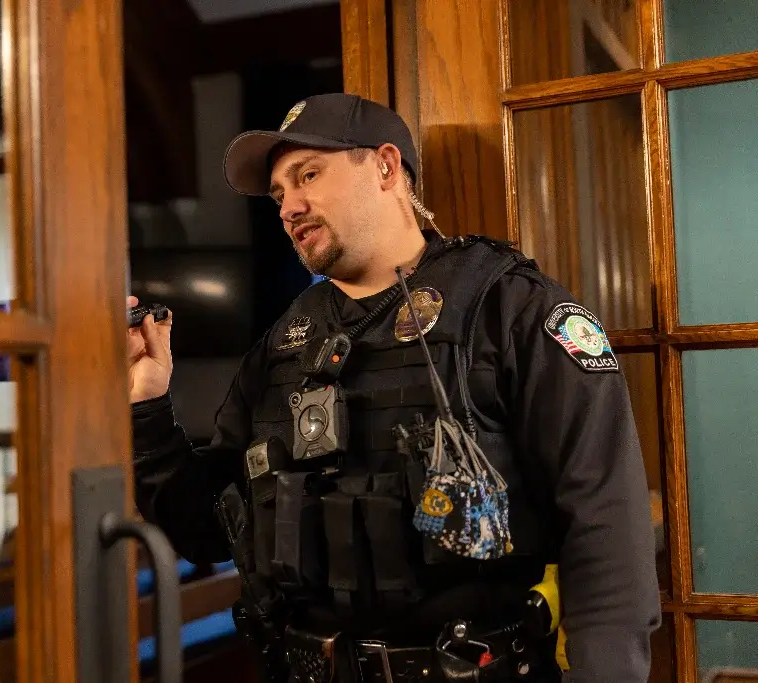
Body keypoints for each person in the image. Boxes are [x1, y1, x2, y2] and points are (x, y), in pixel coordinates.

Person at [127, 93, 660, 682]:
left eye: (308, 174)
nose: (289, 207)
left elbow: (606, 525)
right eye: (279, 194)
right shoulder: (283, 345)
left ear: (385, 166)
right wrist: (147, 406)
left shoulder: (511, 309)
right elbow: (207, 530)